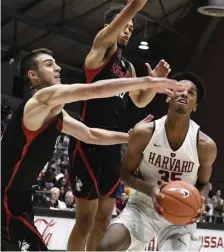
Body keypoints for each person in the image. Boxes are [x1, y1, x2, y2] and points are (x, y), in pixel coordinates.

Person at [1, 48, 181, 251]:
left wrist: (129, 138)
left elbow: (90, 135)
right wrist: (147, 82)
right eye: (49, 64)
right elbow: (93, 90)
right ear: (32, 75)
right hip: (6, 199)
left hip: (19, 198)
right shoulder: (40, 99)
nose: (58, 67)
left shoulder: (55, 113)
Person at [68, 1, 172, 250]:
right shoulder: (101, 50)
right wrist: (134, 6)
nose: (129, 30)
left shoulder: (128, 68)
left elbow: (139, 100)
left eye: (132, 27)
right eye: (125, 25)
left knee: (103, 219)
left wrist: (154, 84)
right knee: (84, 219)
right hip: (88, 141)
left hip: (114, 145)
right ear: (110, 27)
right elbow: (120, 20)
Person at [99, 71, 217, 251]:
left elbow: (205, 184)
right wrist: (151, 190)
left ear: (195, 106)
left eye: (191, 93)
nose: (184, 94)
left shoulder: (205, 145)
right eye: (179, 90)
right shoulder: (144, 133)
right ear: (168, 97)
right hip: (143, 206)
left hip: (180, 214)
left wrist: (199, 200)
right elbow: (124, 174)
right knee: (106, 247)